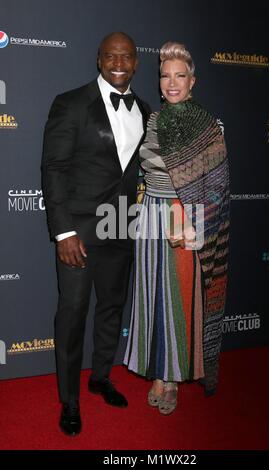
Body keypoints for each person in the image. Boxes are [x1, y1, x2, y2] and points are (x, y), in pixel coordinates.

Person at [42, 32, 150, 435]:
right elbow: (53, 169)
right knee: (72, 316)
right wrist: (64, 231)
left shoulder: (145, 108)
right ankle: (69, 401)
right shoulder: (71, 103)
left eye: (126, 56)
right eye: (110, 55)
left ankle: (100, 376)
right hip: (79, 232)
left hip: (121, 226)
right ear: (99, 59)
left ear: (136, 63)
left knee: (111, 308)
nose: (118, 62)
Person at [124, 42, 230, 415]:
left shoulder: (207, 124)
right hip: (150, 216)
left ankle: (169, 378)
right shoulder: (153, 120)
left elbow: (217, 184)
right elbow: (145, 172)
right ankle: (158, 369)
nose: (172, 83)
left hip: (181, 218)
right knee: (152, 296)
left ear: (192, 81)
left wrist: (190, 221)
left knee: (177, 300)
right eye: (165, 76)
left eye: (179, 76)